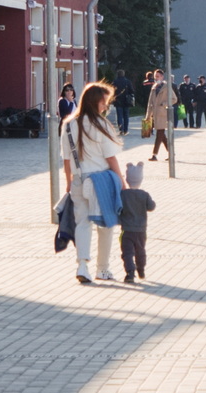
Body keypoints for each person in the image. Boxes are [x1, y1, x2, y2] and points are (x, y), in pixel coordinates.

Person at [60, 82, 125, 284]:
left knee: (83, 223)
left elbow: (66, 158)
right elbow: (111, 158)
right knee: (106, 224)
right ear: (96, 102)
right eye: (104, 102)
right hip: (101, 180)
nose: (105, 106)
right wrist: (123, 183)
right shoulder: (102, 125)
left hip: (79, 180)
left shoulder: (69, 124)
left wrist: (68, 182)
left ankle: (82, 265)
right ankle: (103, 268)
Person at [119, 161, 156, 284]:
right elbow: (151, 207)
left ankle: (130, 272)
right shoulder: (144, 195)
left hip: (126, 230)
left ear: (128, 180)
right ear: (141, 180)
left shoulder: (123, 194)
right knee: (140, 250)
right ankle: (141, 269)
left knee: (127, 252)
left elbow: (118, 208)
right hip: (141, 230)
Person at [145, 69, 175, 161]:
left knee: (159, 134)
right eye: (155, 76)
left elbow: (174, 99)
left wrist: (165, 104)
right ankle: (171, 153)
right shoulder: (154, 87)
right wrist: (148, 116)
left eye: (158, 76)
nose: (156, 78)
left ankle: (154, 155)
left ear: (162, 77)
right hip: (155, 115)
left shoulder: (166, 87)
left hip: (162, 114)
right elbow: (150, 102)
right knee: (162, 136)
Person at [112, 69, 134, 135]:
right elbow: (132, 91)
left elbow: (112, 91)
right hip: (126, 101)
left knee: (119, 116)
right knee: (126, 116)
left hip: (118, 101)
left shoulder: (115, 82)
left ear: (118, 74)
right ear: (124, 74)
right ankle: (125, 130)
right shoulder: (128, 81)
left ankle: (121, 129)